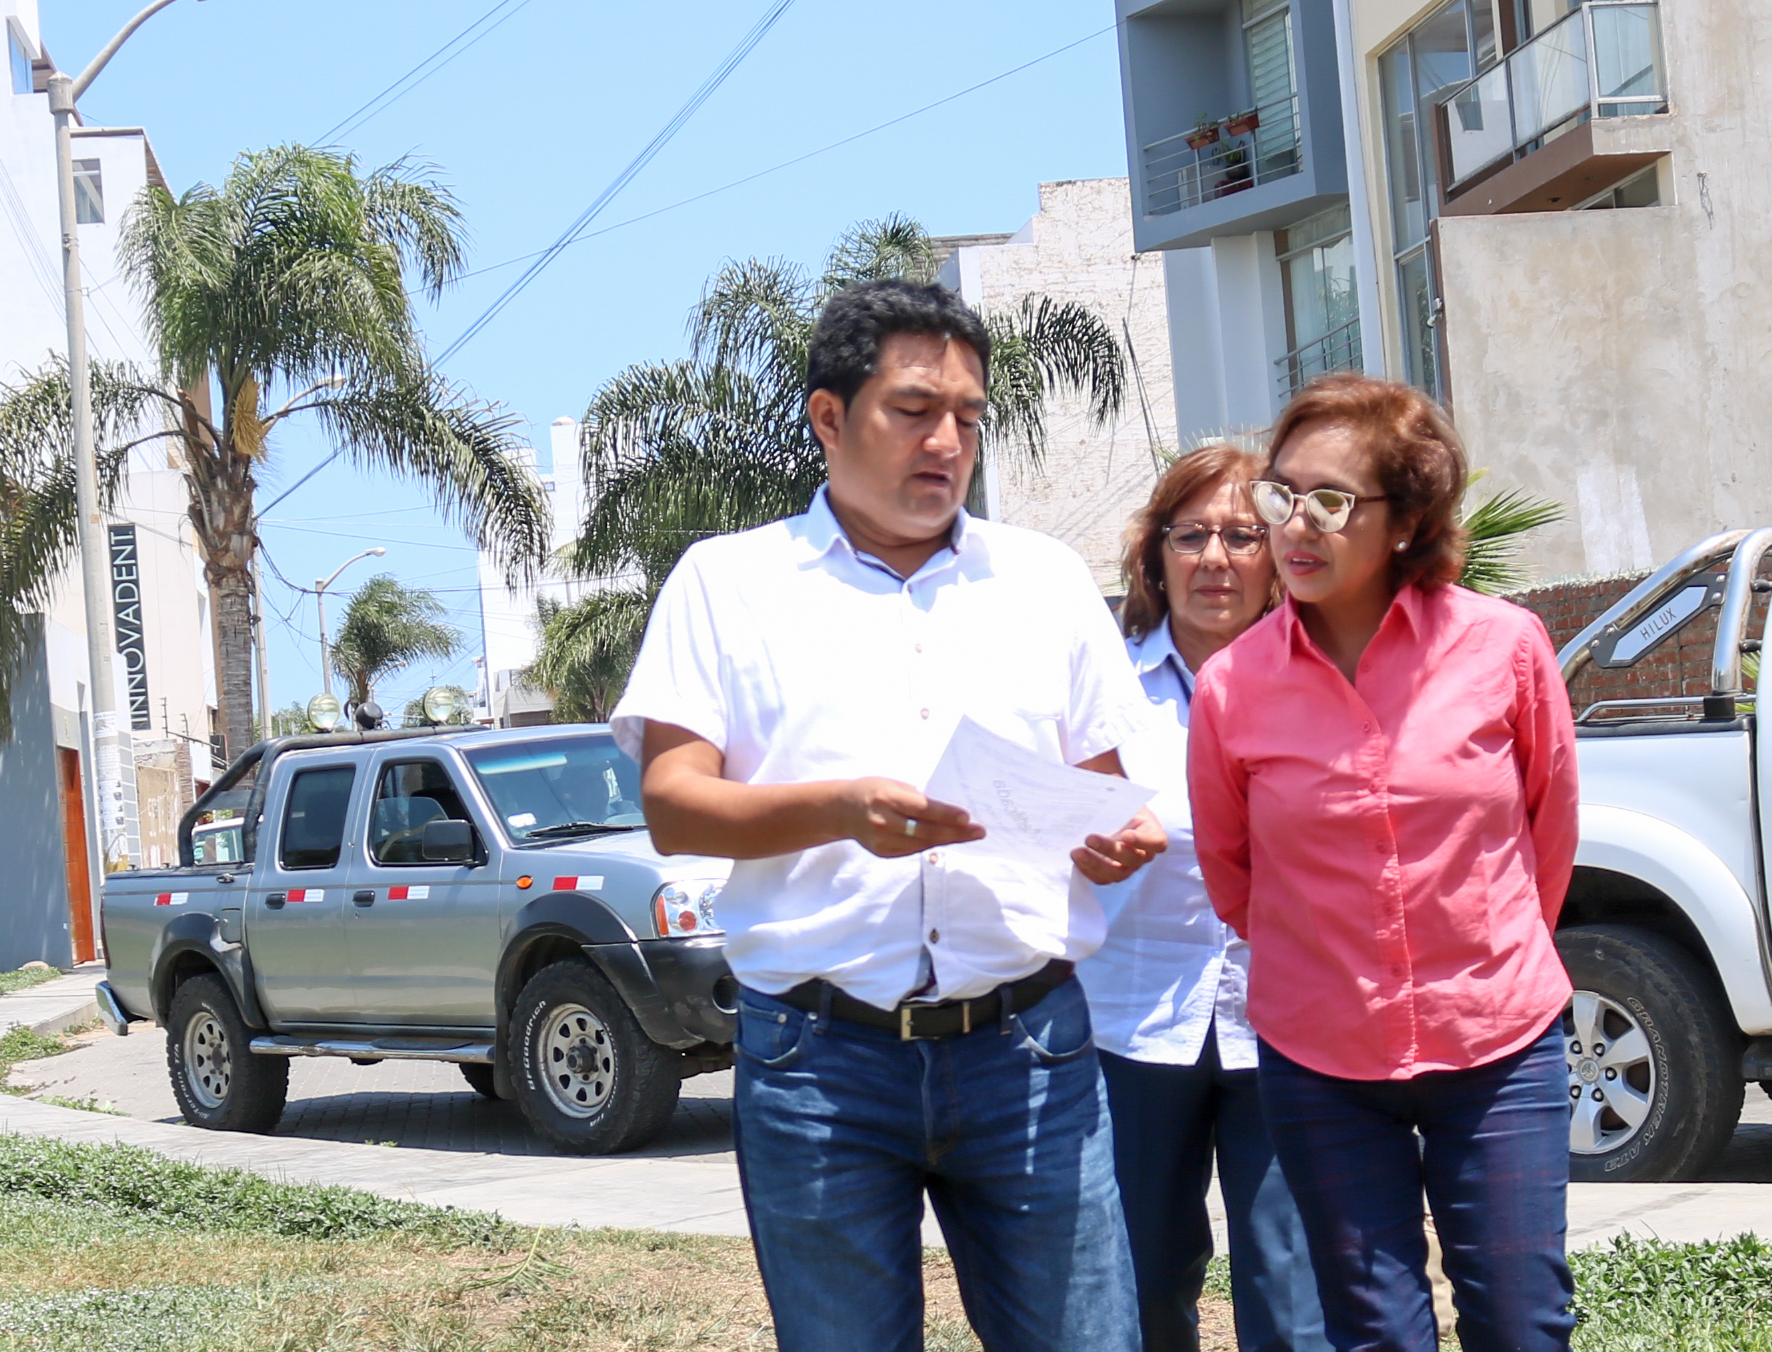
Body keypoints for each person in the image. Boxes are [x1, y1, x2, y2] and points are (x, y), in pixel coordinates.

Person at [612, 278, 1167, 1352]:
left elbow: (1109, 803)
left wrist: (1115, 841)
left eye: (968, 416)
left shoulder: (1044, 580)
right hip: (820, 1058)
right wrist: (838, 809)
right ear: (830, 415)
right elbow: (675, 805)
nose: (947, 441)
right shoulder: (729, 583)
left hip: (1030, 1049)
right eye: (914, 410)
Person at [1188, 373, 1581, 1352]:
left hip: (1498, 1037)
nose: (1297, 525)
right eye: (1282, 494)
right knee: (1377, 1332)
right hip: (1320, 1052)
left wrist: (1482, 948)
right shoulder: (1232, 686)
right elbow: (1233, 872)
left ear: (1405, 521)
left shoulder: (1506, 646)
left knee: (1522, 1321)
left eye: (1332, 500)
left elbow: (1550, 828)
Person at [1080, 444, 1330, 1352]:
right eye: (1191, 536)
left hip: (1284, 1030)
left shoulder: (1322, 685)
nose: (1215, 558)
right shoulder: (1100, 693)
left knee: (1293, 1299)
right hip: (1130, 1027)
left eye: (1240, 535)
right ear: (1155, 556)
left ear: (1277, 555)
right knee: (1140, 1287)